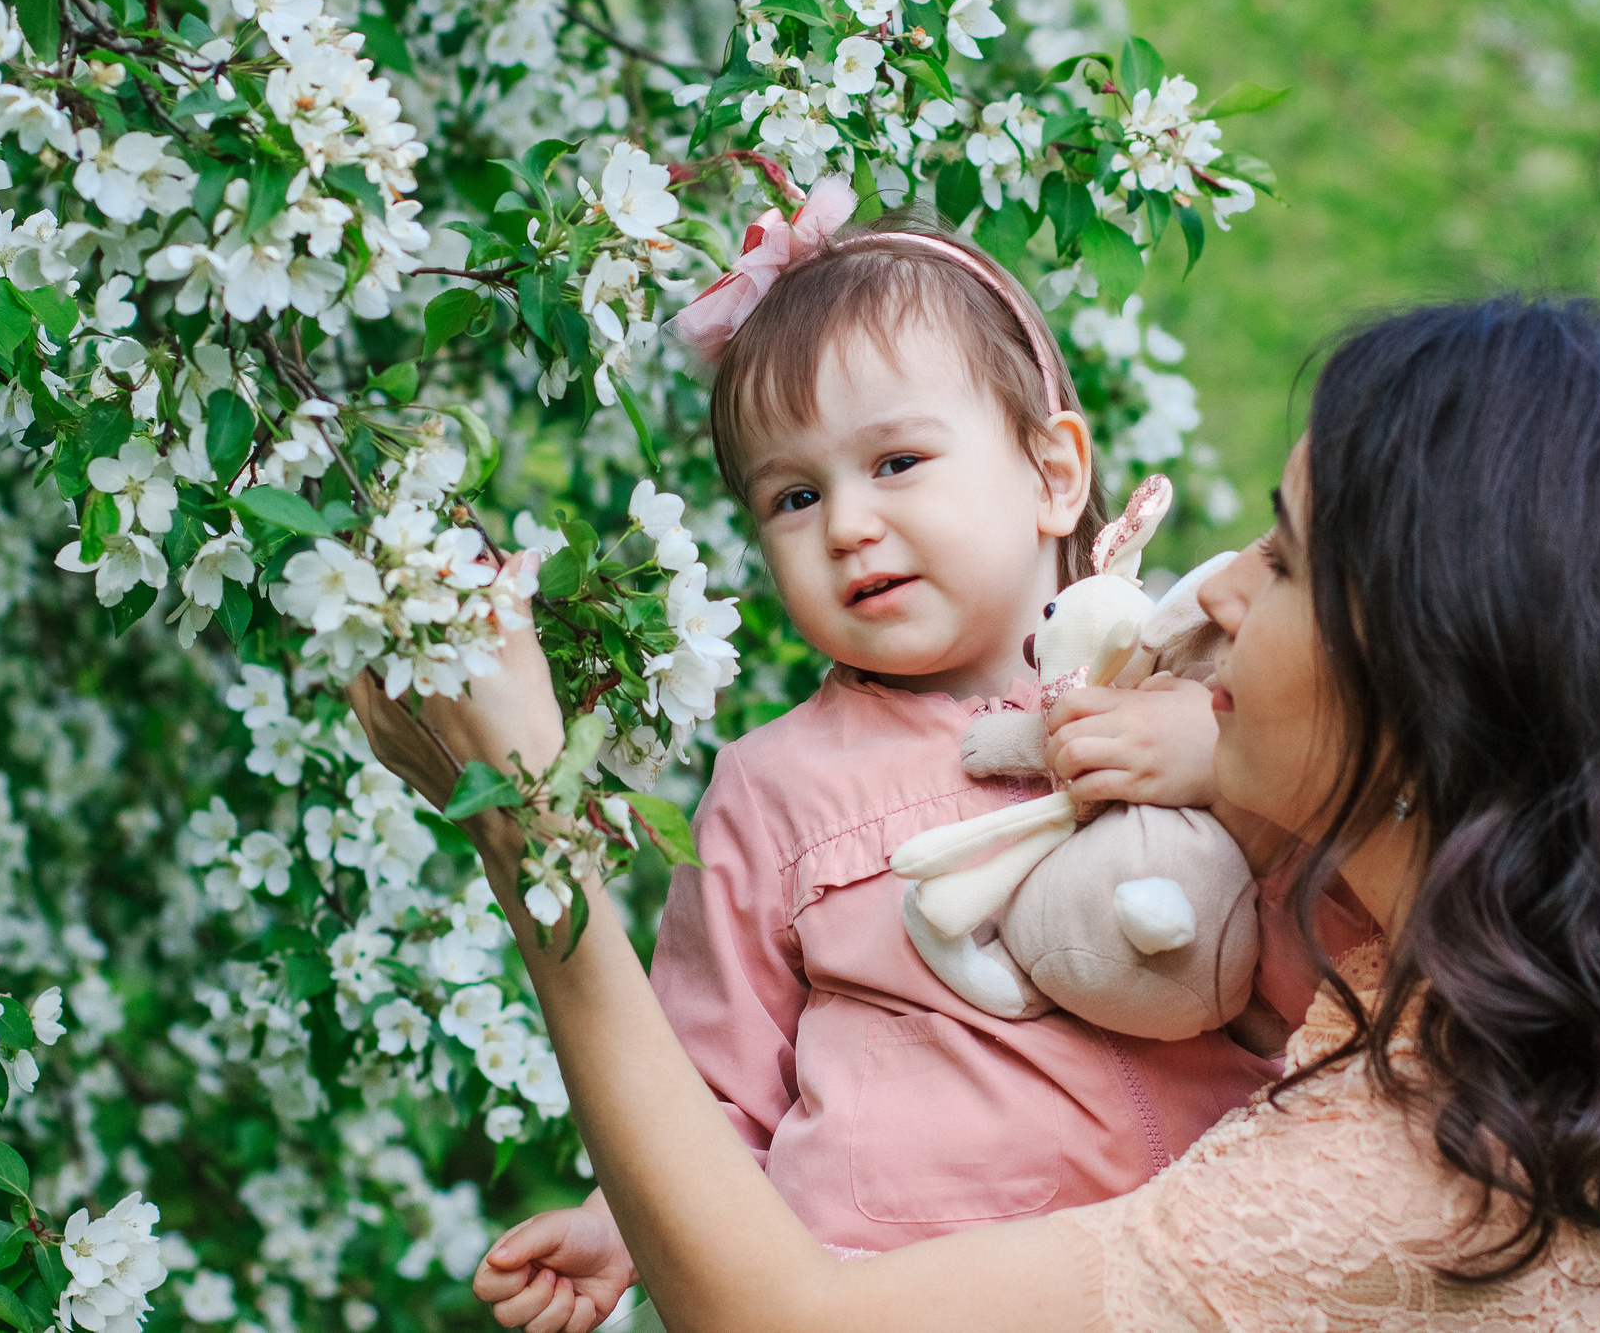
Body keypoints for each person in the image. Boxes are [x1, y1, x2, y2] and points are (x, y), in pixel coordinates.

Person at [350, 295, 1600, 1332]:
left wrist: (529, 821)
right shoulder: (1467, 1033)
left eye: (1274, 556)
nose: (1209, 592)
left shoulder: (1405, 1189)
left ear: (1428, 692)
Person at [444, 184, 1370, 1327]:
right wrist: (616, 1217)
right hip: (876, 1286)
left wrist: (1215, 766)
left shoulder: (1195, 692)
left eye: (894, 464)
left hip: (1157, 1278)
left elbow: (1324, 990)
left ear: (1052, 475)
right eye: (792, 496)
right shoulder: (774, 787)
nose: (845, 525)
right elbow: (708, 1076)